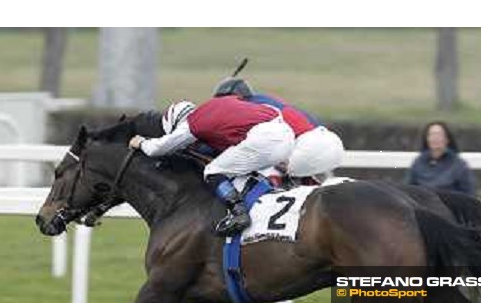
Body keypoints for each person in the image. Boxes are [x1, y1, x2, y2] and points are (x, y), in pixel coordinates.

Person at [128, 96, 295, 237]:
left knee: (213, 171)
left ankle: (239, 213)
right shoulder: (218, 106)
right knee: (236, 169)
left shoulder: (192, 122)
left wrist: (141, 142)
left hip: (265, 138)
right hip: (286, 134)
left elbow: (159, 148)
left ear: (177, 123)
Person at [213, 77, 344, 183]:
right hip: (331, 143)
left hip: (308, 147)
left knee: (262, 169)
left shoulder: (247, 108)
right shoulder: (265, 100)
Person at [405, 121, 475, 195]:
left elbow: (469, 194)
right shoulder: (418, 162)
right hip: (422, 204)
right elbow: (408, 189)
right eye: (432, 135)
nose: (435, 138)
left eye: (439, 135)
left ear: (447, 139)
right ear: (426, 139)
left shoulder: (459, 164)